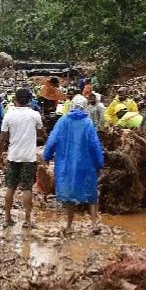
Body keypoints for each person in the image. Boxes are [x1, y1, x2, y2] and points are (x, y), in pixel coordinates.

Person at [43, 95, 105, 233]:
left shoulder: (63, 121)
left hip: (66, 164)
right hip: (86, 163)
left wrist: (46, 156)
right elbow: (95, 144)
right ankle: (94, 224)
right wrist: (99, 163)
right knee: (91, 193)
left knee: (70, 194)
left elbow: (52, 139)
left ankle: (69, 225)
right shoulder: (88, 122)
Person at [0, 87, 44, 227]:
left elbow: (2, 138)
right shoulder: (35, 115)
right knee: (27, 188)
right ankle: (27, 220)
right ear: (29, 100)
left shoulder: (9, 115)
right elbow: (42, 133)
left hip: (13, 156)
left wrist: (0, 154)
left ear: (15, 100)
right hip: (28, 157)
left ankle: (7, 218)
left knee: (10, 187)